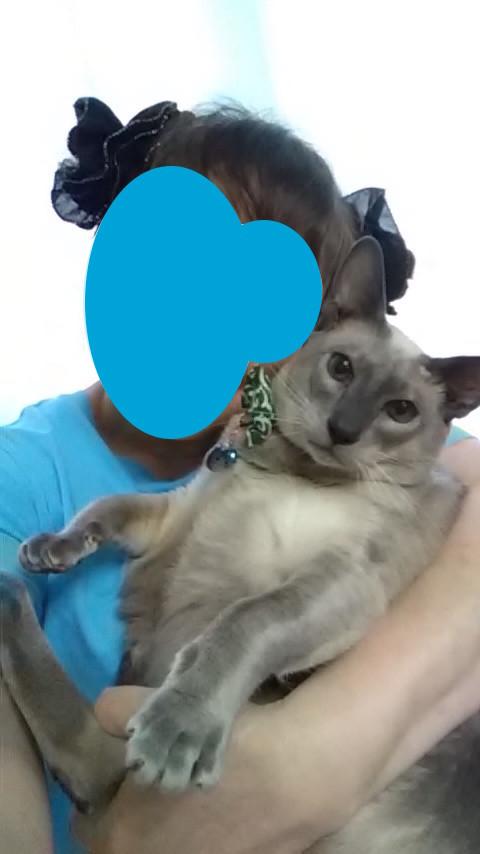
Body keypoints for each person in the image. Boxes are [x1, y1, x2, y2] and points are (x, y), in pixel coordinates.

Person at [0, 97, 478, 854]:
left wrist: (324, 757)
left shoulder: (347, 446)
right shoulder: (24, 472)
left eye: (256, 297)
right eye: (177, 265)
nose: (205, 313)